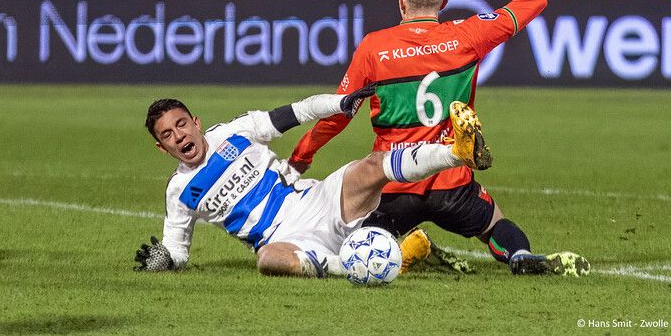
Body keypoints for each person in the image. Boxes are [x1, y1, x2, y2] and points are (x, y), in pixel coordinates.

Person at [289, 0, 590, 277]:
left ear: (401, 1)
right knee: (493, 223)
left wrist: (302, 154)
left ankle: (404, 248)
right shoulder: (469, 35)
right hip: (451, 182)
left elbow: (339, 113)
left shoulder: (374, 46)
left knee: (360, 242)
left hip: (395, 183)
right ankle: (520, 255)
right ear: (444, 2)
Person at [134, 87, 496, 277]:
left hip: (317, 201)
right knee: (268, 262)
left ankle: (457, 152)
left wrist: (340, 103)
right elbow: (177, 249)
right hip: (284, 240)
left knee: (370, 167)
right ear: (162, 147)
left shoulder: (234, 132)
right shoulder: (179, 192)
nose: (179, 136)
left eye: (181, 124)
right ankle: (378, 262)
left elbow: (297, 111)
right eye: (167, 135)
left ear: (196, 122)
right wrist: (165, 260)